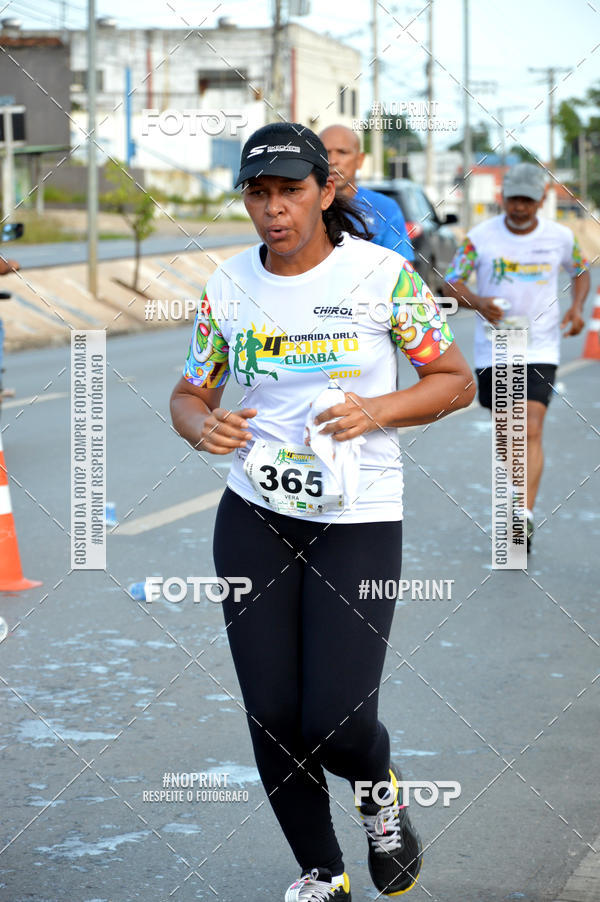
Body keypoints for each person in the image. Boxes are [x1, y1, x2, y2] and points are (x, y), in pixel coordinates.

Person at [170, 122, 475, 901]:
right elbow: (191, 390)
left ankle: (381, 795)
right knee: (273, 713)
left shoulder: (383, 277)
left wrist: (378, 410)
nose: (274, 209)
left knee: (337, 721)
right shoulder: (229, 286)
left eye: (291, 191)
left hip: (359, 515)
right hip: (255, 513)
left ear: (326, 190)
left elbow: (454, 379)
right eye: (259, 193)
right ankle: (322, 872)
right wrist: (202, 423)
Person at [443, 162, 590, 552]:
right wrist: (478, 302)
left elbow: (580, 269)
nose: (520, 207)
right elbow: (453, 282)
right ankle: (513, 494)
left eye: (527, 200)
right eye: (513, 199)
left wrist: (577, 308)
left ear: (542, 198)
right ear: (502, 198)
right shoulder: (479, 238)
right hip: (496, 347)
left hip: (540, 345)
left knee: (532, 426)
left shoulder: (559, 236)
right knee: (510, 433)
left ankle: (520, 515)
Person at [320, 124, 414, 259]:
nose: (332, 161)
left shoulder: (385, 208)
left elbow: (402, 270)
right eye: (325, 153)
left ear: (360, 160)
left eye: (342, 152)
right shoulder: (303, 205)